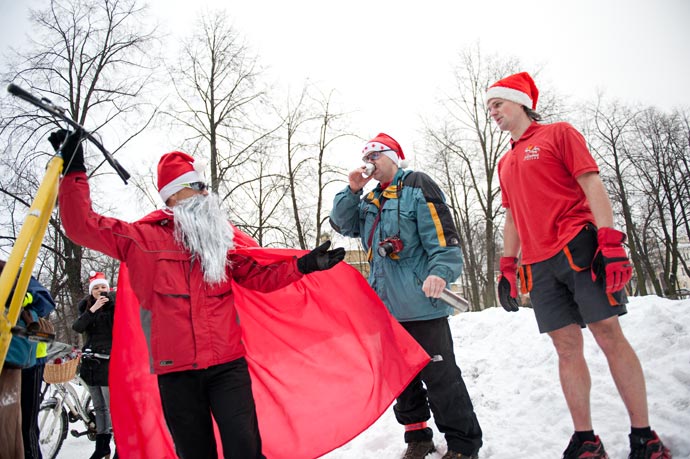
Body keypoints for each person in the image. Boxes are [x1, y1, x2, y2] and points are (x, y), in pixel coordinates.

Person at [50, 129, 345, 459]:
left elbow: (257, 275)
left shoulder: (220, 238)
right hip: (177, 374)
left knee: (244, 448)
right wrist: (75, 169)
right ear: (175, 195)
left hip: (227, 367)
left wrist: (302, 265)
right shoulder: (141, 239)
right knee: (195, 453)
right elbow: (81, 225)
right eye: (199, 187)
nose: (207, 193)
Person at [487, 72, 672, 459]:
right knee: (566, 347)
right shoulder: (506, 161)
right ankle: (586, 438)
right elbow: (512, 218)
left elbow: (591, 182)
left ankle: (644, 436)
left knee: (608, 333)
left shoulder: (558, 134)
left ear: (520, 102)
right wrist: (507, 265)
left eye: (497, 103)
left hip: (578, 246)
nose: (493, 112)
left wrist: (610, 240)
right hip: (538, 264)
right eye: (489, 107)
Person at [329, 133, 482, 459]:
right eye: (366, 157)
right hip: (385, 309)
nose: (370, 162)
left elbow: (443, 235)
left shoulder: (416, 185)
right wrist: (352, 189)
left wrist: (440, 272)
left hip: (422, 305)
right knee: (401, 379)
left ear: (395, 157)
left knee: (441, 378)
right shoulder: (369, 200)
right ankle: (418, 437)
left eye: (376, 156)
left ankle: (463, 445)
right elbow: (342, 223)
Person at [0, 260, 56, 459]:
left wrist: (22, 298)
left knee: (25, 425)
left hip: (29, 361)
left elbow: (45, 301)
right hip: (7, 360)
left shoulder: (13, 270)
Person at [72, 271, 117, 459]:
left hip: (108, 361)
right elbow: (78, 327)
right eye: (96, 288)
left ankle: (120, 446)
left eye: (103, 287)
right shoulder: (88, 308)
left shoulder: (115, 306)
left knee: (111, 406)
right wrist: (93, 309)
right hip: (91, 363)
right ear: (91, 292)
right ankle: (102, 446)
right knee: (99, 407)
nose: (100, 291)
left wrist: (111, 303)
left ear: (109, 288)